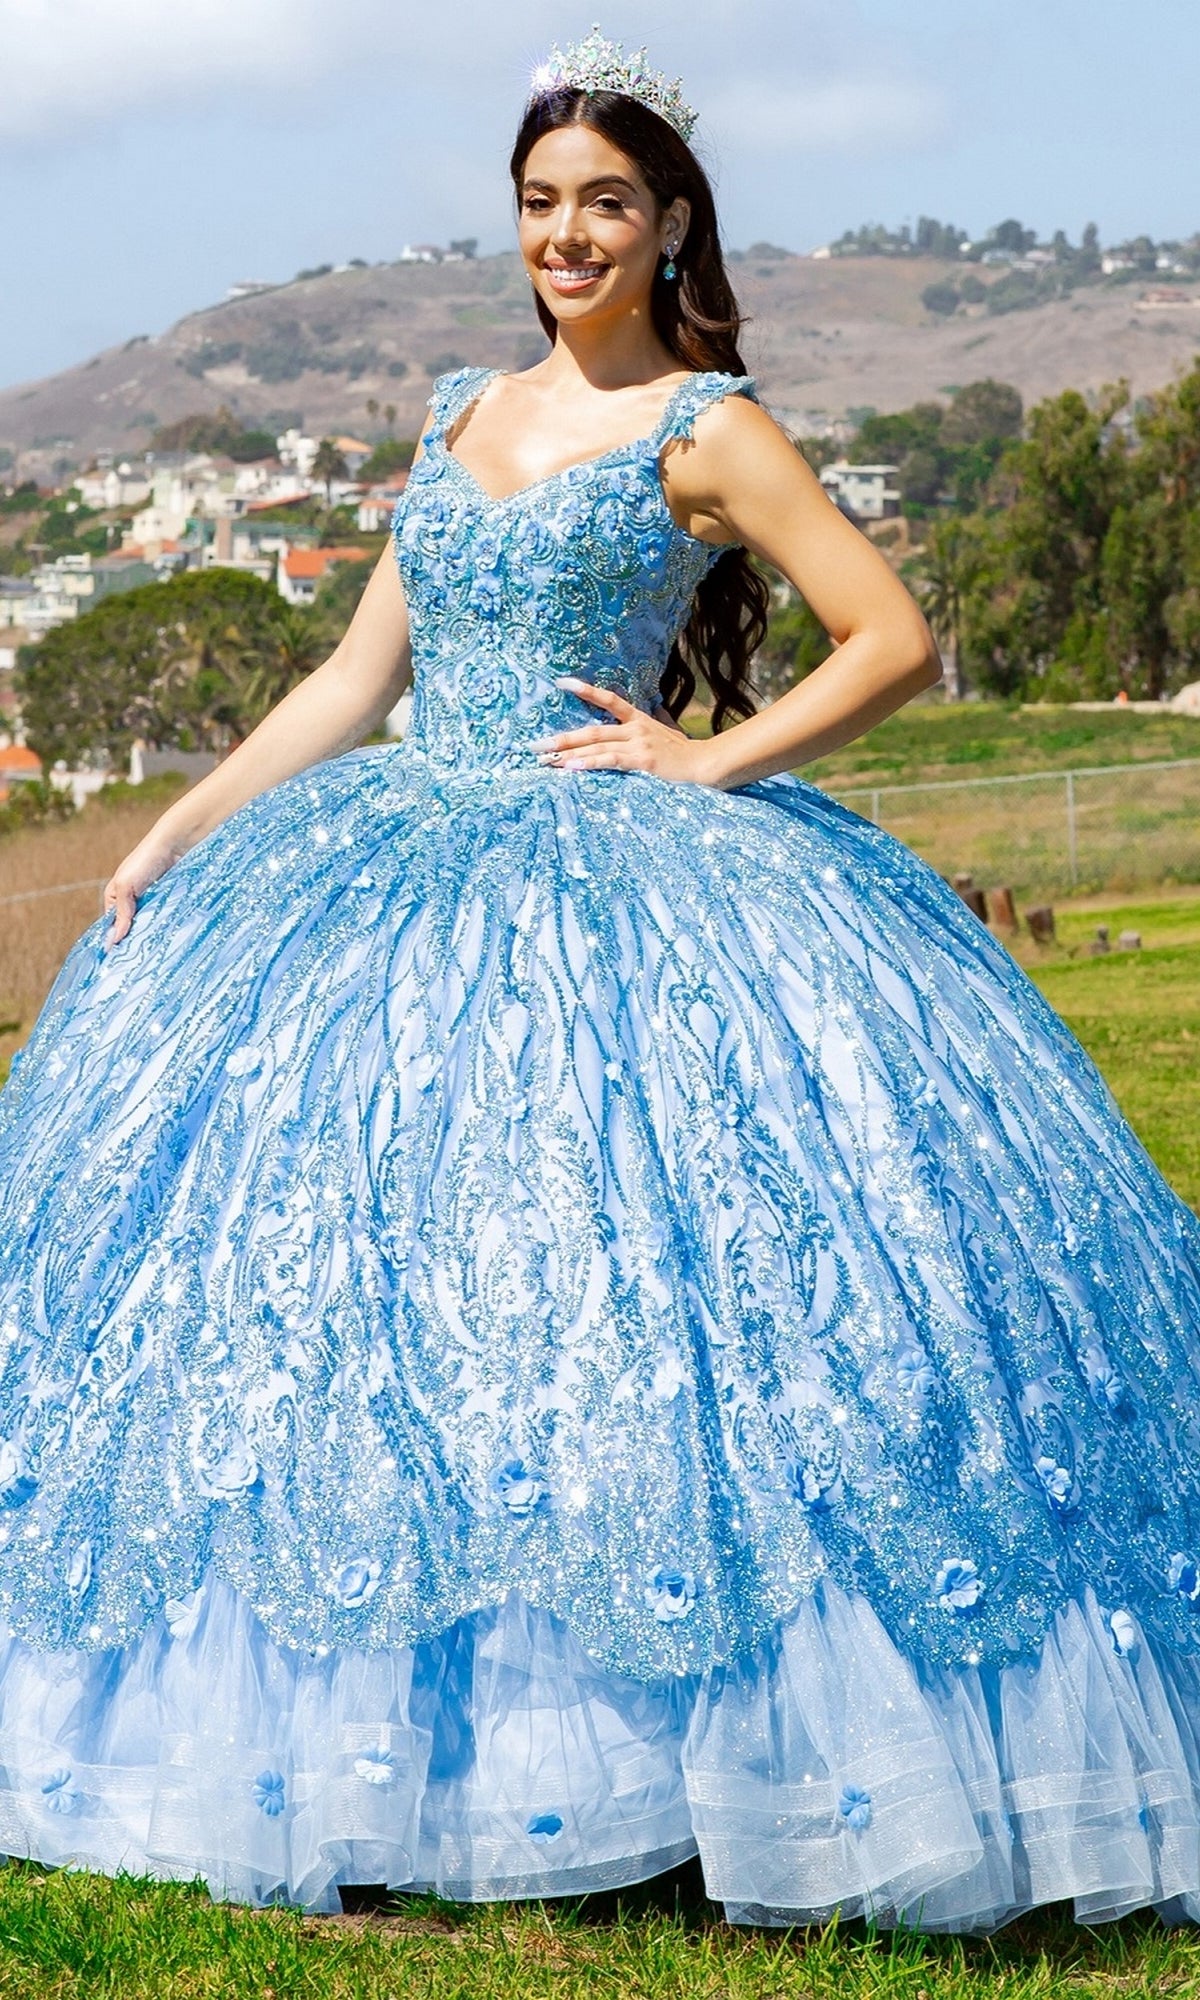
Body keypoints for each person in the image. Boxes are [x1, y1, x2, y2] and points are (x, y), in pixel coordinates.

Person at [3, 26, 1200, 1936]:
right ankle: (395, 1760)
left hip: (620, 881)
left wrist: (709, 762)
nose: (568, 235)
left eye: (606, 204)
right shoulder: (455, 413)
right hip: (392, 871)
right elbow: (356, 679)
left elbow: (891, 635)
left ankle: (688, 1767)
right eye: (542, 203)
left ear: (669, 225)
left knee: (640, 1284)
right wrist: (178, 828)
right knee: (380, 1299)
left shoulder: (706, 429)